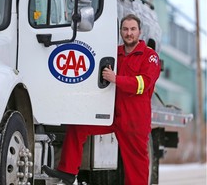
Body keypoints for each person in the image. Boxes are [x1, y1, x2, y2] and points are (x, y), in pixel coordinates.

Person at [43, 14, 161, 185]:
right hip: (112, 113)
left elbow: (142, 84)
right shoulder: (114, 53)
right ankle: (67, 172)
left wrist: (116, 78)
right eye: (125, 29)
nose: (129, 33)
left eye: (133, 29)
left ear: (139, 32)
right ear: (120, 31)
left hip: (134, 120)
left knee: (136, 167)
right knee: (78, 126)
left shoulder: (149, 56)